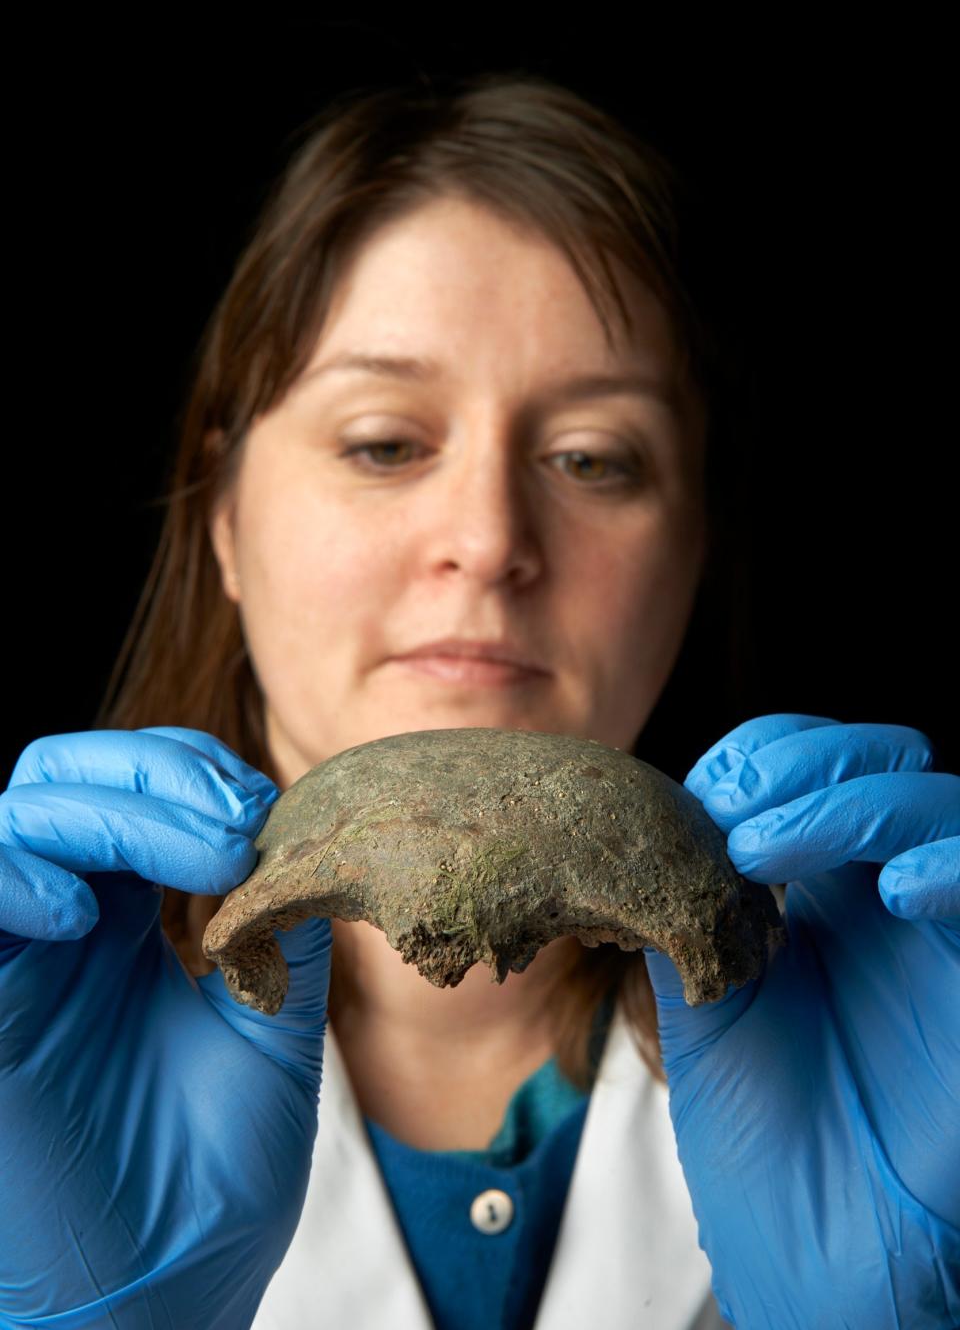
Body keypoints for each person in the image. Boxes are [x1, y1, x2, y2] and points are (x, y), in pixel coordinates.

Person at [0, 71, 956, 1330]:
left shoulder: (917, 1083)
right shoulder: (24, 1088)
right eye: (387, 441)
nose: (490, 534)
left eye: (592, 458)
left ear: (697, 545)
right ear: (224, 513)